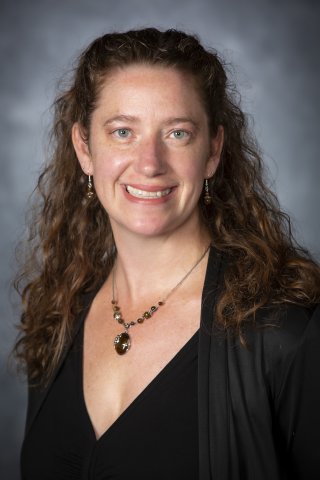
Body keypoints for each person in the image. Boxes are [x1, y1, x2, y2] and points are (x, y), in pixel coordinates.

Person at [15, 28, 320, 479]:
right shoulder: (58, 314)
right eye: (123, 132)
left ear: (212, 151)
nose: (149, 163)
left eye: (177, 133)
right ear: (85, 149)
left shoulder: (287, 331)